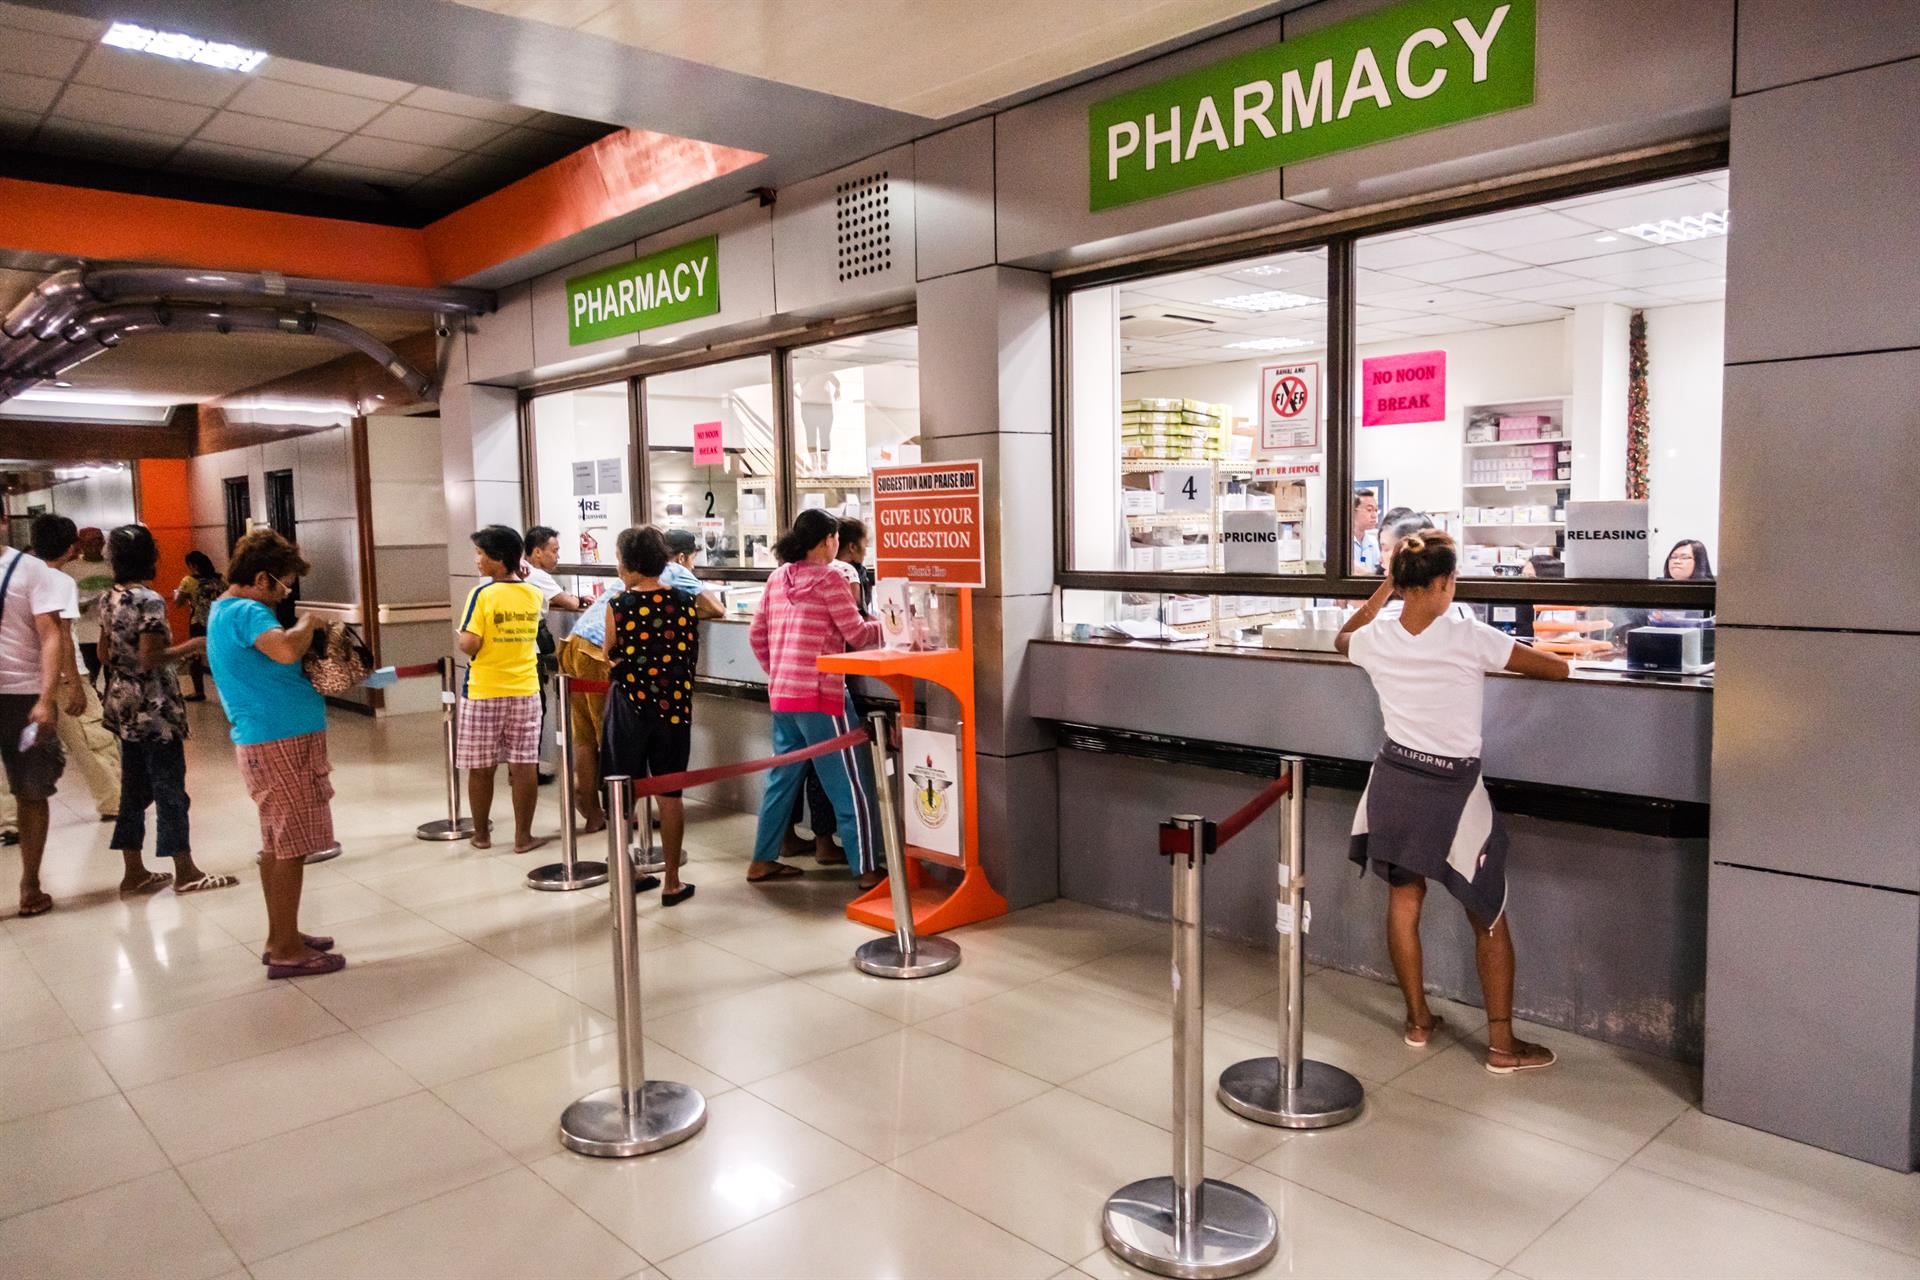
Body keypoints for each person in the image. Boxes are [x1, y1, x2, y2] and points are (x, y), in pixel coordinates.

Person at [1335, 530, 1570, 1075]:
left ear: (1401, 582)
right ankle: (1502, 1045)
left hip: (1394, 777)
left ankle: (1418, 1021)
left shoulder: (1376, 638)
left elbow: (1342, 638)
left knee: (1404, 900)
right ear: (1443, 582)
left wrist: (1386, 590)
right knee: (1487, 911)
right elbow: (1556, 668)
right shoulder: (1470, 636)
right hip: (1453, 790)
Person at [205, 528, 344, 977]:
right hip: (280, 739)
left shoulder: (223, 610)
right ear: (262, 577)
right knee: (291, 846)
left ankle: (282, 933)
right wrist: (308, 624)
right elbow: (284, 650)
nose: (285, 593)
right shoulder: (248, 611)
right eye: (283, 583)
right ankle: (286, 949)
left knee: (277, 843)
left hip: (270, 736)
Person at [748, 508, 883, 888]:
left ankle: (761, 860)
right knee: (850, 783)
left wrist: (778, 671)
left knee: (781, 780)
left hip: (783, 695)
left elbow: (756, 635)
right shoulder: (830, 579)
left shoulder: (777, 578)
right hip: (821, 696)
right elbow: (857, 634)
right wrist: (893, 627)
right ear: (828, 540)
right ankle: (867, 870)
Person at [98, 525, 236, 896]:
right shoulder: (149, 599)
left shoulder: (108, 597)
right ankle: (185, 871)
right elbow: (151, 658)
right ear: (150, 556)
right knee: (170, 787)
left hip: (123, 702)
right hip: (154, 705)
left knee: (133, 788)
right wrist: (193, 645)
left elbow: (102, 653)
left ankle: (134, 871)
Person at [601, 527, 699, 905]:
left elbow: (611, 654)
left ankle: (629, 872)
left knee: (622, 792)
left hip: (629, 706)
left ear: (629, 563)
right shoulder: (685, 602)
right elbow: (689, 654)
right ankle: (673, 881)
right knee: (670, 794)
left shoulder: (619, 605)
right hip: (674, 707)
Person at [0, 532, 84, 917]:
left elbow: (51, 635)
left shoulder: (30, 570)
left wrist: (46, 698)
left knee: (31, 789)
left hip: (22, 696)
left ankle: (30, 883)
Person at [457, 525, 549, 853]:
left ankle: (481, 835)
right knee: (524, 766)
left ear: (498, 558)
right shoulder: (533, 594)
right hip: (525, 689)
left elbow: (469, 643)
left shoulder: (482, 595)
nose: (477, 560)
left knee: (481, 768)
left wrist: (467, 639)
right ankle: (523, 837)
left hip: (485, 690)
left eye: (481, 554)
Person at [26, 517, 121, 825]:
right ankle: (113, 801)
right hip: (65, 674)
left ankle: (9, 819)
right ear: (71, 547)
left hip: (20, 677)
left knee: (16, 746)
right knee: (93, 739)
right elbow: (62, 633)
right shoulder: (59, 580)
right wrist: (75, 683)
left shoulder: (15, 577)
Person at [522, 526, 582, 784]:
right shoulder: (537, 575)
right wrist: (575, 598)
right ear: (537, 552)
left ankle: (521, 770)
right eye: (554, 551)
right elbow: (571, 603)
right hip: (532, 648)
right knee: (536, 709)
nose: (557, 556)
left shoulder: (522, 572)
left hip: (520, 650)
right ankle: (529, 771)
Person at [558, 584, 613, 834]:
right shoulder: (672, 573)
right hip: (596, 651)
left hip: (574, 644)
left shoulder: (630, 574)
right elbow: (713, 607)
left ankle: (593, 813)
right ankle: (621, 811)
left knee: (584, 736)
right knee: (609, 735)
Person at [61, 527, 111, 685]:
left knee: (112, 674)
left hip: (110, 630)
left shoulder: (113, 566)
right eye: (90, 541)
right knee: (91, 674)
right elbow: (63, 602)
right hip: (84, 631)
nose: (95, 545)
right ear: (80, 544)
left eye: (98, 540)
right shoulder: (69, 569)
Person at [172, 550, 222, 701]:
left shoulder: (189, 581)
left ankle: (199, 692)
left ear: (193, 565)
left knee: (195, 657)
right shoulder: (219, 579)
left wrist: (177, 593)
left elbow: (178, 603)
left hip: (198, 622)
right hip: (218, 622)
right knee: (219, 655)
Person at [660, 529, 727, 619]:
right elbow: (718, 609)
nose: (692, 566)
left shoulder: (655, 568)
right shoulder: (676, 571)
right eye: (692, 559)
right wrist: (686, 612)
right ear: (681, 558)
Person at [1351, 489, 1380, 573]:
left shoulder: (1373, 542)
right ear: (1353, 511)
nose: (1374, 515)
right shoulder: (1334, 541)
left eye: (1376, 510)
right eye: (1369, 510)